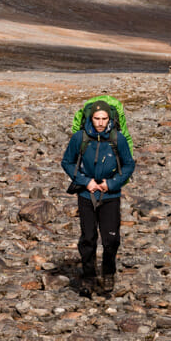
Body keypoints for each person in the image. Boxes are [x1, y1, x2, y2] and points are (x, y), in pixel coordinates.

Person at [61, 101, 134, 293]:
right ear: (90, 118)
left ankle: (108, 272)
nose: (100, 123)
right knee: (88, 238)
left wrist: (111, 184)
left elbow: (129, 165)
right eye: (96, 119)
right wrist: (85, 181)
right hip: (86, 194)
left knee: (111, 239)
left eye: (104, 119)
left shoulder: (118, 139)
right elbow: (67, 162)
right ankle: (89, 277)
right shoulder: (80, 138)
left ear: (110, 119)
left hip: (111, 195)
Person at [68, 95, 132, 148]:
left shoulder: (84, 113)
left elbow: (76, 129)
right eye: (97, 118)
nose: (100, 123)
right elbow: (126, 137)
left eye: (104, 119)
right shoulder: (117, 110)